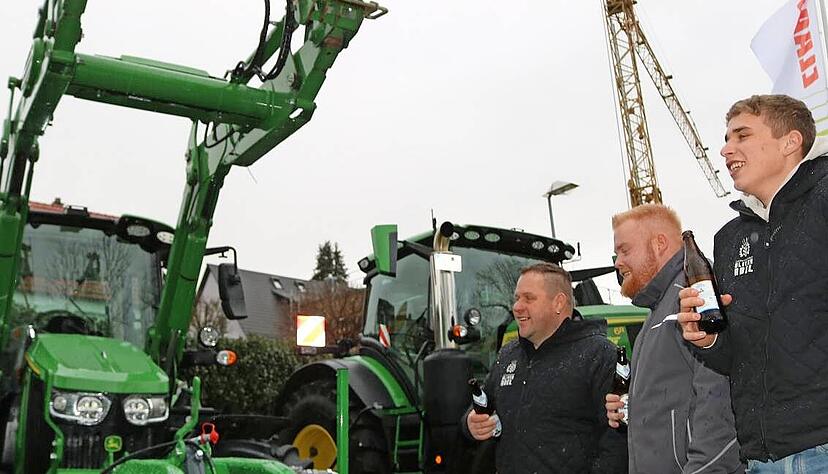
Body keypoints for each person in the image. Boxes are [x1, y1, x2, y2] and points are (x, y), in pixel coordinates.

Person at [678, 94, 828, 471]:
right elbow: (737, 359)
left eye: (741, 136)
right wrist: (709, 338)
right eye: (726, 139)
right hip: (761, 455)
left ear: (790, 142)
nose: (726, 150)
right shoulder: (729, 239)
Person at [605, 204, 742, 473]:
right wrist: (631, 412)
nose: (618, 262)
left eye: (625, 250)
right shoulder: (658, 310)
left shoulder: (694, 295)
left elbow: (720, 402)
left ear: (659, 244)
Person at [462, 262, 627, 473]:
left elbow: (617, 441)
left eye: (529, 298)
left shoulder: (599, 355)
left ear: (558, 303)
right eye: (516, 298)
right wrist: (470, 423)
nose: (517, 307)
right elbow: (481, 406)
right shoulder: (508, 355)